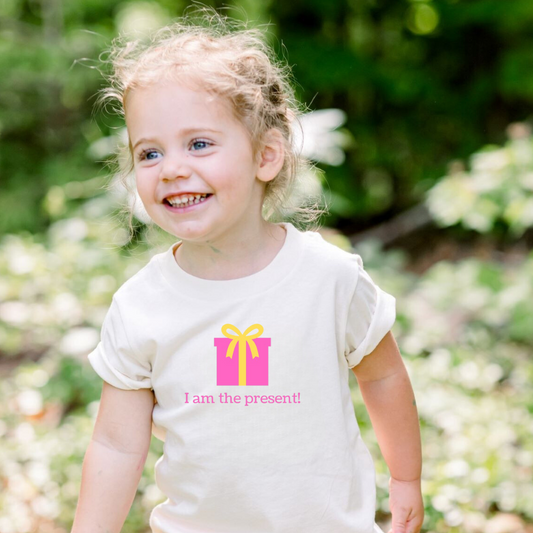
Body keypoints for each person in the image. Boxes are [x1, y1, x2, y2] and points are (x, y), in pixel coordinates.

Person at [71, 9, 423, 533]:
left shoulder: (328, 278)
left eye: (199, 144)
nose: (172, 168)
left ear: (266, 156)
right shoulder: (141, 305)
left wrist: (405, 477)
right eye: (150, 152)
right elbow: (116, 445)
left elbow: (384, 375)